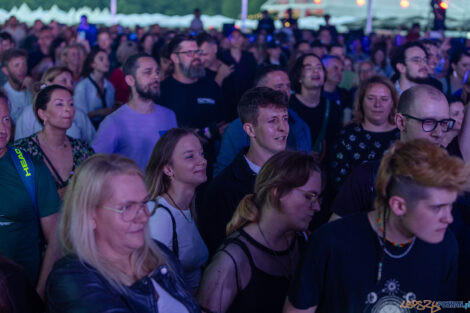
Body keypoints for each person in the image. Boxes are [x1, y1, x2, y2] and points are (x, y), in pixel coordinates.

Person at [284, 139, 469, 313]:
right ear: (398, 205)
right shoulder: (329, 243)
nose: (449, 218)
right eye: (437, 208)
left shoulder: (446, 246)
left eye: (450, 205)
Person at [45, 154, 201, 313]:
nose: (144, 216)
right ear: (89, 216)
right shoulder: (72, 281)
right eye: (127, 207)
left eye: (144, 203)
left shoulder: (160, 254)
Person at [198, 151, 321, 313]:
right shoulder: (232, 259)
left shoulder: (300, 242)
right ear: (278, 192)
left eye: (318, 198)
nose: (317, 207)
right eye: (309, 196)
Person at [330, 85, 463, 217]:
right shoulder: (368, 177)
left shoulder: (451, 175)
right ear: (401, 122)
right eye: (428, 122)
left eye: (444, 123)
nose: (438, 133)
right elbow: (333, 233)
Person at [200, 87, 289, 255]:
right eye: (272, 121)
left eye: (285, 118)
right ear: (250, 129)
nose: (283, 128)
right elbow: (220, 252)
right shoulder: (223, 189)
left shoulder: (294, 175)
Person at [0, 90, 61, 299]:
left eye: (6, 119)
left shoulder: (31, 169)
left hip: (21, 293)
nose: (2, 128)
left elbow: (55, 240)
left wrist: (39, 294)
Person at [213, 65, 311, 177]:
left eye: (288, 86)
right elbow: (222, 173)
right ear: (259, 89)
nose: (285, 91)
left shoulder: (300, 125)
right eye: (278, 86)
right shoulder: (237, 129)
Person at [146, 128, 209, 293]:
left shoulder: (191, 207)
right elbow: (152, 285)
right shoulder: (158, 214)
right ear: (168, 169)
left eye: (201, 154)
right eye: (190, 156)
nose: (202, 161)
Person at [92, 53, 177, 170]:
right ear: (130, 80)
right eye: (148, 72)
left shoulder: (169, 115)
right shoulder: (114, 122)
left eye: (157, 72)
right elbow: (93, 167)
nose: (156, 77)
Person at [14, 85, 94, 198]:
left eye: (71, 104)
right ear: (42, 114)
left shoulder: (82, 149)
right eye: (59, 104)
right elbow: (14, 197)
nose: (68, 109)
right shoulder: (23, 150)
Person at [329, 76, 400, 193]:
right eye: (371, 98)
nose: (378, 104)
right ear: (361, 101)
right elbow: (339, 182)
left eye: (384, 99)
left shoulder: (403, 134)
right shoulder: (346, 136)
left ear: (393, 102)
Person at [15, 66, 96, 143]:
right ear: (48, 84)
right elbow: (19, 149)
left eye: (71, 82)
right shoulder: (29, 114)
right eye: (64, 81)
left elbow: (91, 145)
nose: (70, 86)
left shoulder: (78, 114)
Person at [288, 53, 342, 159]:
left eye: (319, 67)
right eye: (309, 68)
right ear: (299, 77)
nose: (315, 71)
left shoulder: (332, 107)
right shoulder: (287, 105)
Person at [219, 29, 258, 121]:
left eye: (239, 37)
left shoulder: (249, 57)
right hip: (226, 100)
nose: (236, 39)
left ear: (243, 39)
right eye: (233, 37)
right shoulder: (221, 56)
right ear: (228, 39)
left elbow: (254, 77)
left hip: (246, 99)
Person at [74, 48, 115, 128]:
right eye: (101, 59)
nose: (106, 62)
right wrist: (99, 112)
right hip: (88, 130)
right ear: (92, 64)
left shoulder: (110, 86)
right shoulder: (83, 87)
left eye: (107, 59)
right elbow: (79, 117)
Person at [2, 48, 33, 122]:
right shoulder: (3, 96)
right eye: (16, 65)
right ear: (5, 70)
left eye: (24, 64)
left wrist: (35, 91)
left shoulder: (32, 88)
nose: (22, 69)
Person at [321, 55, 353, 124]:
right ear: (323, 70)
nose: (339, 73)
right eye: (335, 68)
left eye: (341, 70)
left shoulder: (345, 95)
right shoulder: (315, 95)